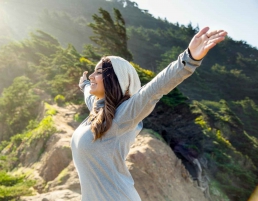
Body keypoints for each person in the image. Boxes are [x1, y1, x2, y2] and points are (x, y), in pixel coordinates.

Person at [71, 27, 227, 201]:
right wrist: (84, 84)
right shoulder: (97, 110)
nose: (92, 75)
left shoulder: (122, 115)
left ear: (115, 79)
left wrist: (189, 58)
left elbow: (154, 89)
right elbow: (88, 96)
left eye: (98, 72)